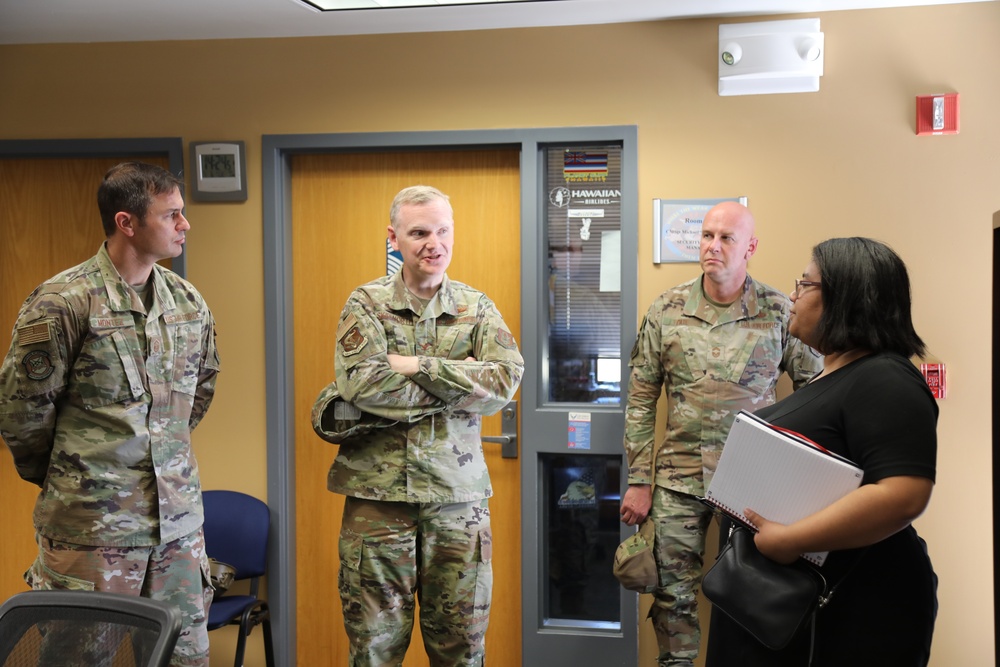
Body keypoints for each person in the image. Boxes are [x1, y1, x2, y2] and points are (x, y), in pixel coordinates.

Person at [0, 162, 221, 666]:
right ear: (128, 223)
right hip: (92, 533)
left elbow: (199, 393)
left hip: (178, 532)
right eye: (172, 215)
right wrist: (75, 479)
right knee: (77, 660)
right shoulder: (63, 303)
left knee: (184, 660)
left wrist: (163, 457)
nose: (185, 225)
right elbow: (21, 414)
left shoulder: (188, 303)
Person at [311, 185, 524, 666]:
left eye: (443, 231)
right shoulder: (365, 303)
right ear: (394, 238)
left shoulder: (476, 307)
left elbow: (505, 380)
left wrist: (413, 366)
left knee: (462, 650)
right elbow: (363, 385)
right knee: (374, 650)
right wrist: (458, 379)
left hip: (457, 504)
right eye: (419, 232)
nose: (434, 243)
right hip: (378, 505)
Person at [706, 237, 938, 666]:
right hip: (785, 602)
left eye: (804, 284)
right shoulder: (835, 374)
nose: (791, 295)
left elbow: (904, 492)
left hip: (851, 607)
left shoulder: (885, 378)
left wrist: (792, 539)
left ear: (845, 296)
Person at [618, 201, 822, 667]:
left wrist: (796, 471)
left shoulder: (779, 311)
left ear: (749, 247)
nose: (712, 246)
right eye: (707, 236)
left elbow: (816, 390)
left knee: (753, 596)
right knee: (673, 599)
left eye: (726, 238)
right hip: (677, 480)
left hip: (752, 483)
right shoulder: (667, 310)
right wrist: (638, 479)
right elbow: (641, 398)